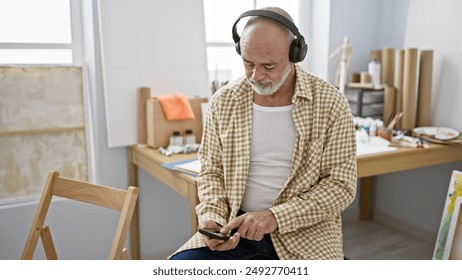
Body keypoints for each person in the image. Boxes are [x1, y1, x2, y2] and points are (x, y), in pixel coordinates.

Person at [170, 6, 357, 260]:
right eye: (248, 63)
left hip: (307, 233)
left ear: (294, 54)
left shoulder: (331, 103)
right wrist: (212, 217)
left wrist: (275, 217)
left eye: (269, 66)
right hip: (234, 228)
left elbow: (340, 186)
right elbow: (211, 171)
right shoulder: (223, 102)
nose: (256, 76)